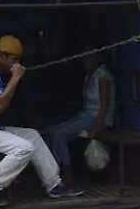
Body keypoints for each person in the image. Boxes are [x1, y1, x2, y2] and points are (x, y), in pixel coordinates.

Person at [0, 35, 83, 207]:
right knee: (24, 148)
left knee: (32, 135)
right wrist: (15, 78)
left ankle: (54, 185)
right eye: (13, 59)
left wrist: (13, 79)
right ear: (3, 56)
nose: (16, 64)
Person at [47, 53, 115, 181]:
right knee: (51, 131)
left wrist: (96, 130)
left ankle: (67, 173)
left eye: (88, 58)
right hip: (86, 116)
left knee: (59, 135)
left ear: (97, 58)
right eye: (84, 58)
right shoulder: (91, 75)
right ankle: (53, 170)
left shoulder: (103, 76)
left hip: (97, 119)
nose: (85, 61)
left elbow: (104, 106)